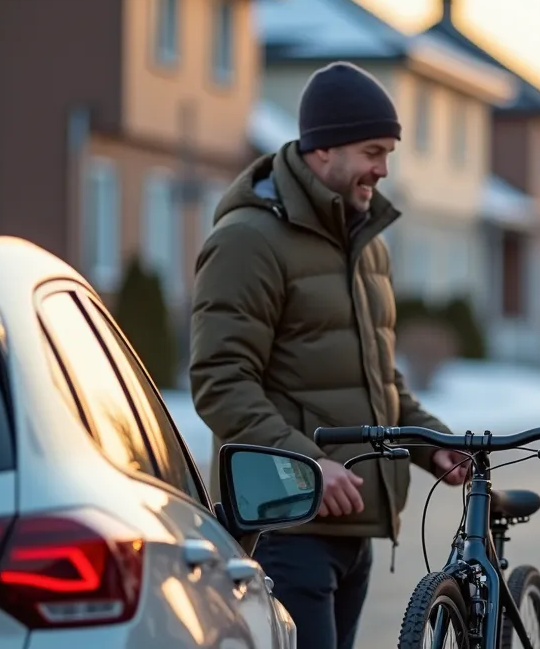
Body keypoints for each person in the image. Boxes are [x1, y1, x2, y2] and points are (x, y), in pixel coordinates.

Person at [189, 61, 469, 649]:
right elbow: (221, 381)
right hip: (286, 528)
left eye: (387, 153)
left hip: (351, 531)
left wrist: (431, 443)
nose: (383, 169)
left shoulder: (366, 246)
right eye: (372, 151)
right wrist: (307, 466)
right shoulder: (248, 240)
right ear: (323, 149)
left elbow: (378, 380)